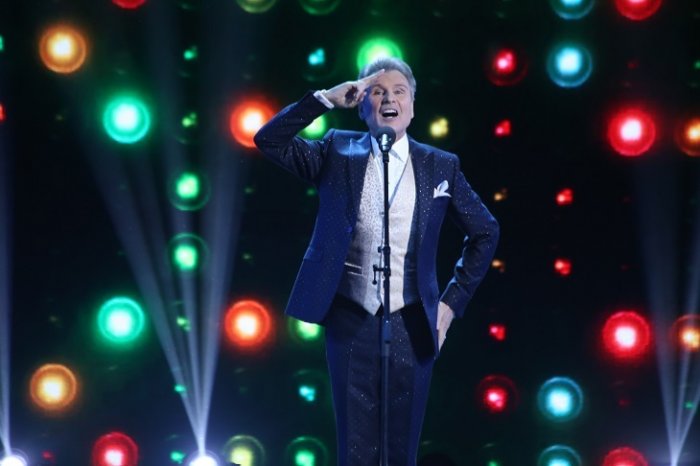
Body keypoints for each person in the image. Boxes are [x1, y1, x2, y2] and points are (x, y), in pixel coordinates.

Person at [254, 57, 499, 466]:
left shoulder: (441, 165)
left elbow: (485, 231)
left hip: (413, 322)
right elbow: (269, 140)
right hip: (351, 317)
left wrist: (451, 303)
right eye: (377, 92)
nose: (389, 99)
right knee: (356, 449)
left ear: (412, 106)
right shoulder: (336, 150)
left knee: (402, 450)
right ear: (361, 105)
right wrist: (325, 100)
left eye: (399, 92)